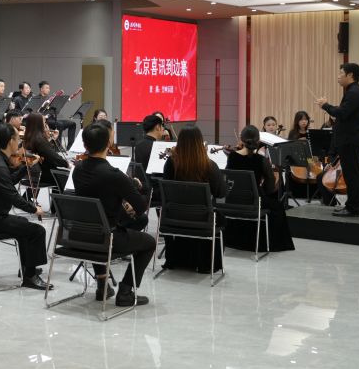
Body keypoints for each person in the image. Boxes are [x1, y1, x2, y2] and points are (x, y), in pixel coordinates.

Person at [72, 122, 155, 306]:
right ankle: (125, 291)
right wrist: (134, 187)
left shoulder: (78, 170)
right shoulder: (114, 175)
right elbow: (141, 206)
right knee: (149, 242)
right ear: (108, 144)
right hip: (106, 238)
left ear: (85, 145)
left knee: (99, 224)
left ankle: (103, 286)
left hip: (80, 235)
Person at [0, 124, 51, 290]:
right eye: (17, 139)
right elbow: (13, 196)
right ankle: (30, 276)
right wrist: (34, 209)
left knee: (23, 225)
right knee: (37, 231)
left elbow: (8, 181)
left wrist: (26, 167)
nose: (19, 142)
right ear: (10, 141)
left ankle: (27, 267)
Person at [161, 126, 227, 273]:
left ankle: (175, 259)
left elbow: (166, 190)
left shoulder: (171, 163)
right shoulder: (209, 165)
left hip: (175, 217)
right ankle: (207, 263)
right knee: (221, 218)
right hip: (202, 219)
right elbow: (220, 193)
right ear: (199, 143)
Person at [224, 125, 295, 252]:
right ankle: (272, 244)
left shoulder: (232, 157)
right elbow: (271, 186)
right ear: (258, 141)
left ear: (242, 139)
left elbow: (229, 178)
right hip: (254, 202)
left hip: (234, 201)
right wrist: (264, 192)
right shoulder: (261, 160)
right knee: (277, 206)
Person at [316, 63, 359, 217]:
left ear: (350, 75)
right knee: (350, 174)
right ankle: (352, 205)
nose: (338, 76)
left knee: (352, 175)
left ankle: (353, 207)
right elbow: (345, 114)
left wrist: (325, 105)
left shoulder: (354, 92)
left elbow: (342, 112)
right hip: (349, 139)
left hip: (350, 140)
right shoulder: (354, 91)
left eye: (341, 73)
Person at [22, 112, 66, 188]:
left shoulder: (28, 138)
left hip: (30, 175)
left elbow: (46, 151)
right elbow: (54, 158)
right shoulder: (40, 141)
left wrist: (51, 139)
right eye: (44, 122)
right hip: (44, 176)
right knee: (67, 174)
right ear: (39, 124)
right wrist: (67, 164)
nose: (46, 124)